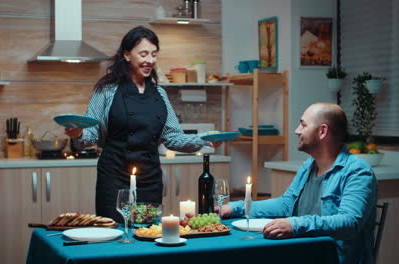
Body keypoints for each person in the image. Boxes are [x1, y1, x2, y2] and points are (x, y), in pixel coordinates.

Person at [66, 26, 219, 222]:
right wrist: (78, 133)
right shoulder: (106, 90)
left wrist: (204, 140)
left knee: (146, 234)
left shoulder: (160, 94)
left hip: (150, 179)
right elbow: (90, 136)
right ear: (127, 55)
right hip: (114, 178)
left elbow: (172, 137)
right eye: (144, 54)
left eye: (154, 55)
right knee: (115, 235)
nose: (150, 61)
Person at [221, 102, 378, 264]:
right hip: (302, 253)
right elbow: (286, 204)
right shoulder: (309, 166)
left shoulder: (357, 172)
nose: (297, 131)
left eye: (303, 125)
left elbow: (349, 223)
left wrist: (295, 224)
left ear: (322, 131)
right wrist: (235, 208)